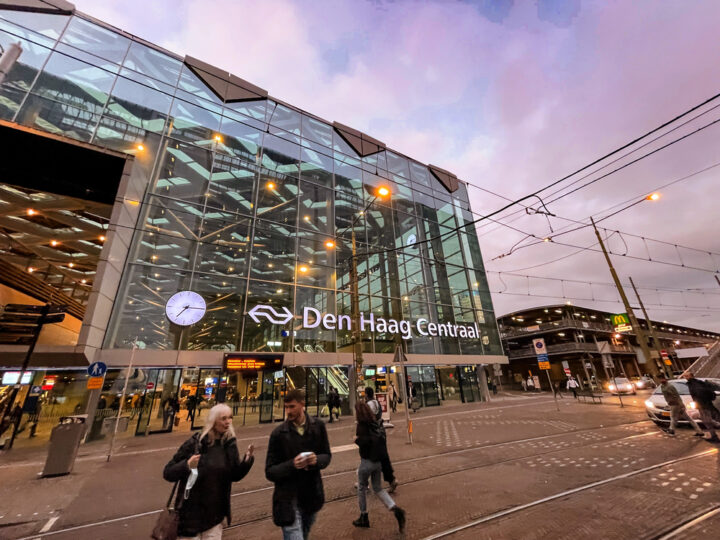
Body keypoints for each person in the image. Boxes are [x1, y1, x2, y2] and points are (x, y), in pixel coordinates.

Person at [163, 404, 254, 539]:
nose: (228, 422)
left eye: (230, 418)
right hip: (190, 517)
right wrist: (187, 465)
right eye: (223, 418)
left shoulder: (229, 444)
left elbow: (234, 475)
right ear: (213, 421)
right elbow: (168, 472)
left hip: (214, 517)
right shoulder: (196, 442)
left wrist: (247, 461)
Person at [265, 389, 331, 539]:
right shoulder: (278, 434)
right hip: (287, 499)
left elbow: (326, 455)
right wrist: (292, 465)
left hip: (310, 495)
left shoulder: (318, 427)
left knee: (304, 533)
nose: (288, 411)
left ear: (302, 405)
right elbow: (269, 471)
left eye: (292, 407)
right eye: (286, 407)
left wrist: (316, 460)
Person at [352, 401, 406, 532]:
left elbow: (365, 441)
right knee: (378, 488)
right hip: (378, 462)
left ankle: (364, 516)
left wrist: (356, 440)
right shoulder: (374, 423)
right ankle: (395, 508)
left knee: (361, 488)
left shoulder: (361, 425)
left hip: (367, 462)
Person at [364, 387, 398, 493]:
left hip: (373, 434)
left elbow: (368, 419)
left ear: (366, 394)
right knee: (383, 457)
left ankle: (364, 482)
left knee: (368, 457)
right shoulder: (376, 402)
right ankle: (391, 480)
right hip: (380, 433)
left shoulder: (369, 404)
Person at [684, 372, 720, 442]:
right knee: (705, 419)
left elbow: (700, 393)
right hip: (703, 404)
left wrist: (701, 403)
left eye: (687, 376)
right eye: (685, 376)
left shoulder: (695, 384)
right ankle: (715, 432)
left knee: (706, 421)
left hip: (703, 405)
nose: (686, 377)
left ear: (691, 376)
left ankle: (714, 436)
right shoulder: (695, 383)